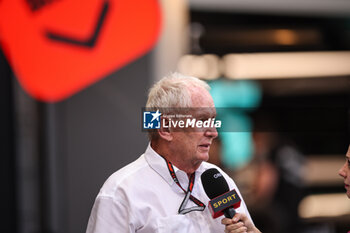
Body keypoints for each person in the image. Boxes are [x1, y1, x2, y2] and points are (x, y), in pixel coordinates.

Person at [86, 73, 260, 233]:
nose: (213, 132)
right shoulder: (121, 193)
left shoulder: (219, 180)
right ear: (166, 128)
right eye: (202, 121)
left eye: (213, 121)